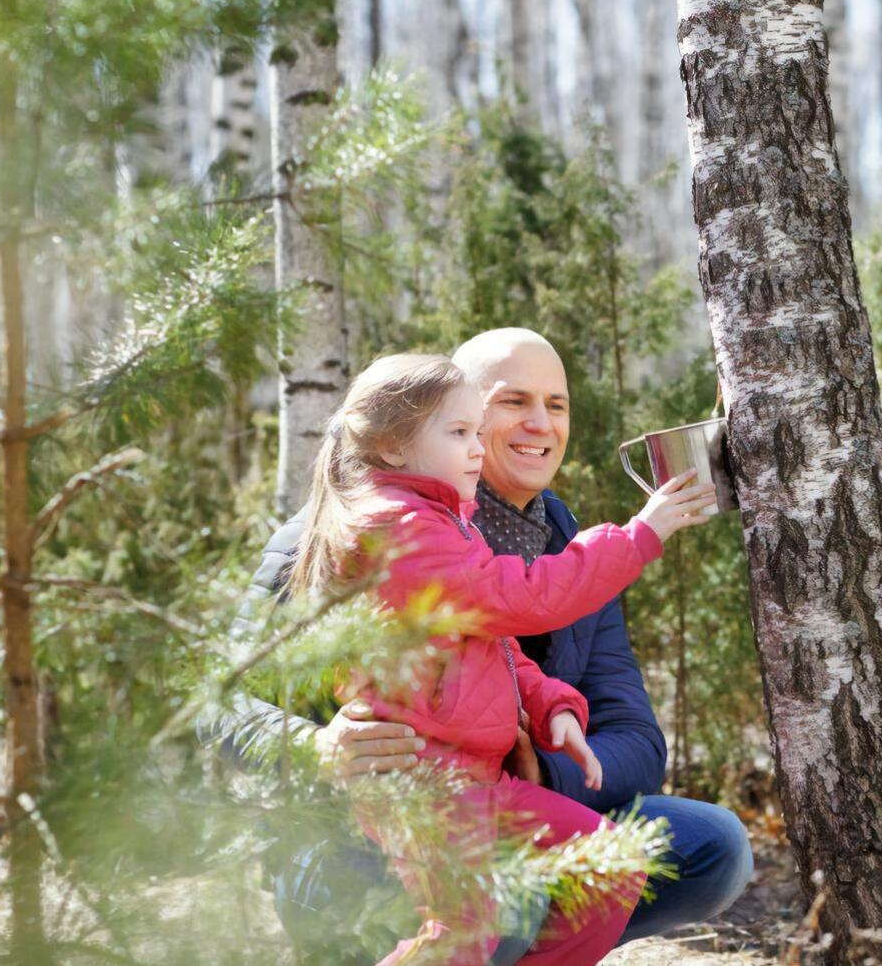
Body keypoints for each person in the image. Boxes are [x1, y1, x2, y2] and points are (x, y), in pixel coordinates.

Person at [202, 328, 754, 965]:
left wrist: (547, 755)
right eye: (511, 403)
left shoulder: (560, 541)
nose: (539, 424)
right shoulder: (345, 532)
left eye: (556, 404)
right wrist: (315, 746)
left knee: (703, 849)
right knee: (502, 909)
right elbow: (212, 702)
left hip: (496, 793)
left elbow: (633, 735)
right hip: (362, 833)